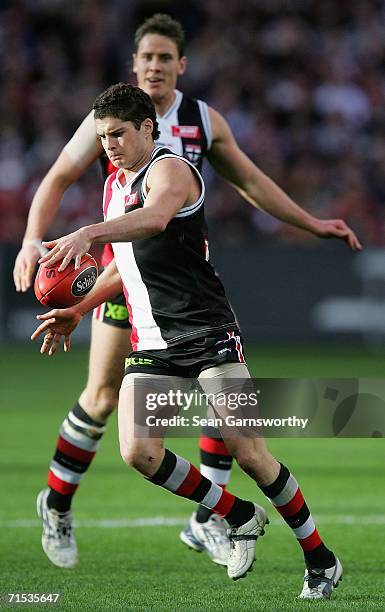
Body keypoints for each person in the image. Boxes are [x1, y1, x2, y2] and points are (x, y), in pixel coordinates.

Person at [14, 14, 361, 570]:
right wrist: (51, 265)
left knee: (237, 432)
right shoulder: (111, 133)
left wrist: (310, 222)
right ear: (134, 64)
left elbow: (244, 182)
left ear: (180, 65)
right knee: (109, 405)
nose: (153, 65)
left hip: (184, 282)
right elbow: (58, 178)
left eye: (162, 57)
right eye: (144, 56)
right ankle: (60, 505)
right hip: (135, 283)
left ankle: (227, 523)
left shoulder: (192, 130)